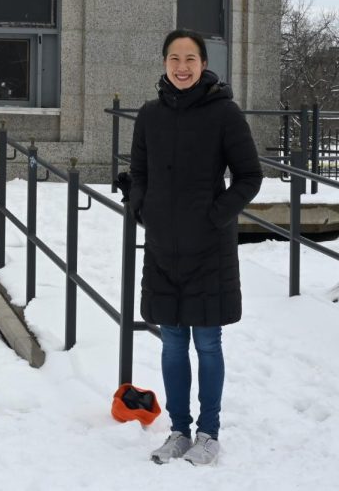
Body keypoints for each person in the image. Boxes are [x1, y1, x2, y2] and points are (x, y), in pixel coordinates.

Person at [128, 29, 262, 467]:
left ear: (204, 63)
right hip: (164, 246)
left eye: (190, 58)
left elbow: (249, 176)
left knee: (207, 341)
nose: (181, 66)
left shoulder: (224, 113)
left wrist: (215, 215)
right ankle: (179, 431)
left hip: (209, 247)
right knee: (170, 342)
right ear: (164, 63)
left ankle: (209, 433)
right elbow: (139, 170)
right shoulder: (149, 114)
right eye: (173, 58)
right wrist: (141, 206)